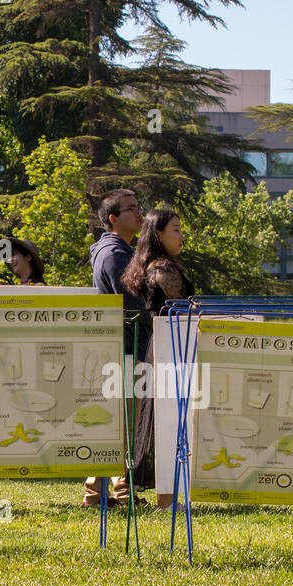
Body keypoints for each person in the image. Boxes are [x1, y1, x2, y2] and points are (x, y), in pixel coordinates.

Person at [120, 210, 193, 510]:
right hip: (170, 346)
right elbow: (185, 310)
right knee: (168, 420)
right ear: (158, 234)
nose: (181, 235)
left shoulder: (153, 265)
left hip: (164, 346)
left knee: (165, 420)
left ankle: (169, 497)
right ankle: (167, 499)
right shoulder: (162, 268)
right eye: (175, 229)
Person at [82, 189, 145, 509]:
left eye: (139, 207)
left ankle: (116, 490)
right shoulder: (115, 253)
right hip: (123, 345)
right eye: (131, 209)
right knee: (118, 422)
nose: (139, 213)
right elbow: (133, 302)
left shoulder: (117, 249)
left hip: (120, 344)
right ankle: (99, 493)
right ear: (112, 218)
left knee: (119, 421)